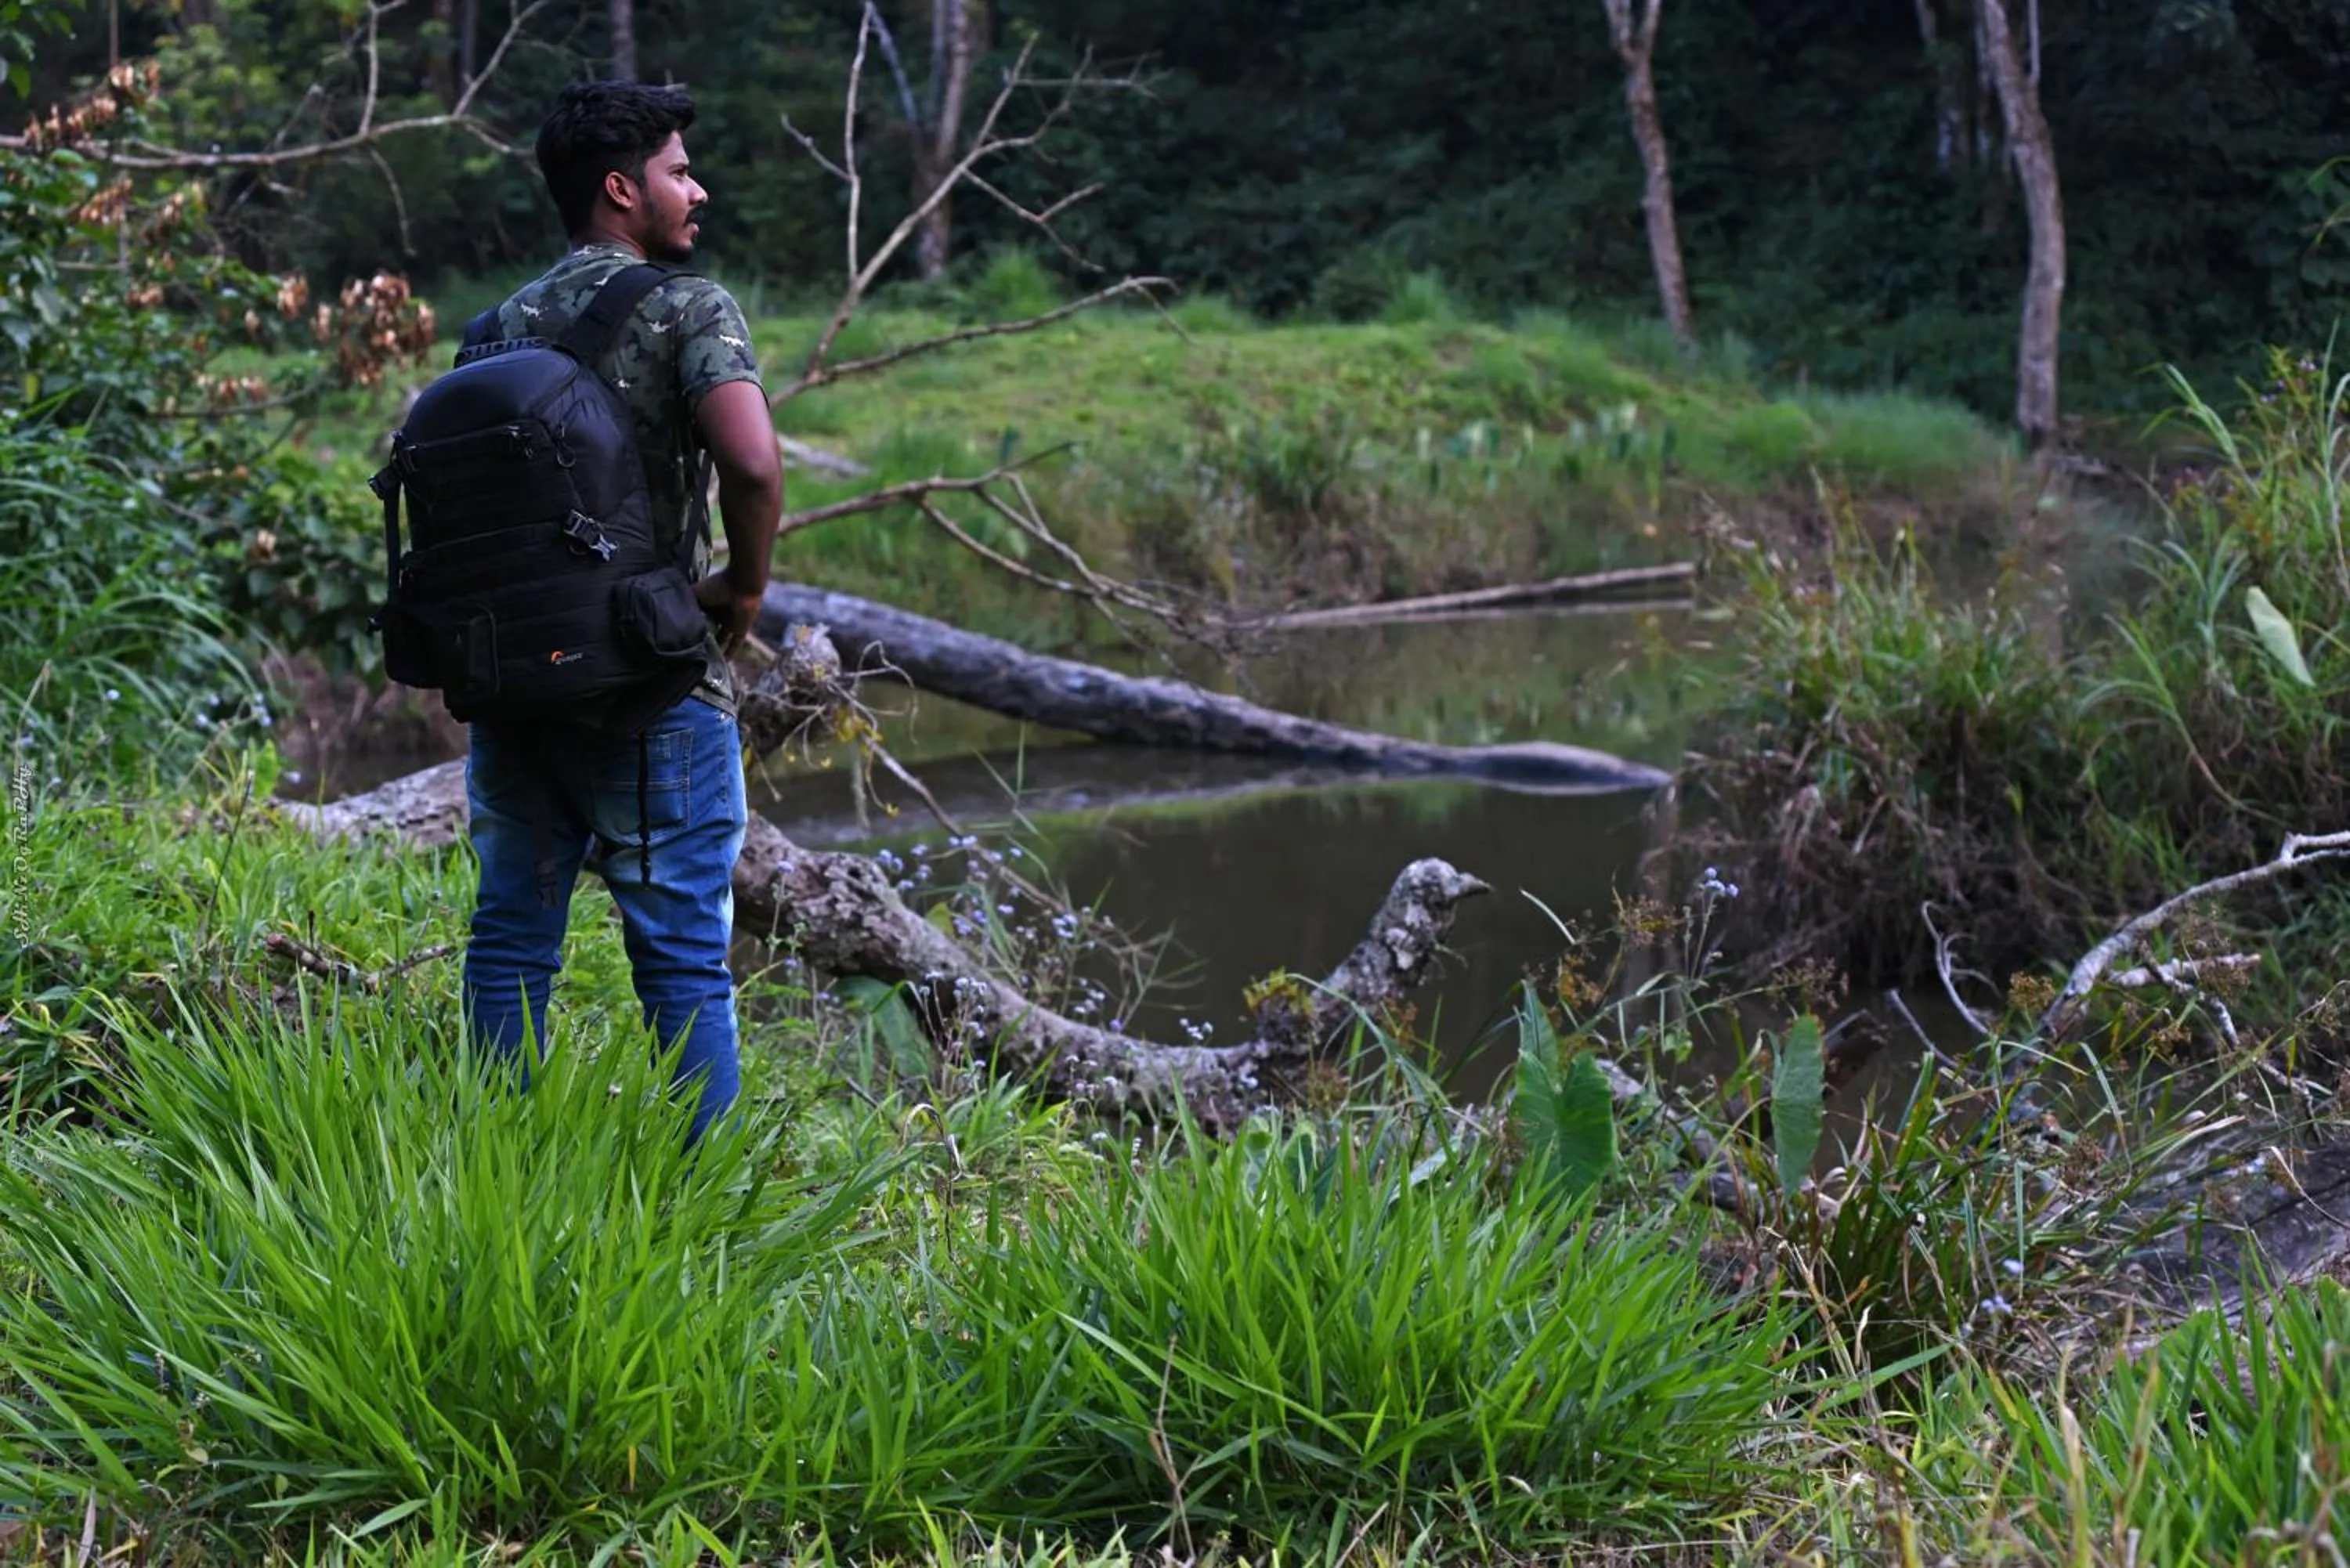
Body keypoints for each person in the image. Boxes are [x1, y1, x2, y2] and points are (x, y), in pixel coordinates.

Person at [460, 81, 783, 1143]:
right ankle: (714, 1206)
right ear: (620, 187)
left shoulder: (491, 331)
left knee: (511, 936)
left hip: (516, 685)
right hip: (653, 687)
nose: (699, 190)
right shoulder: (691, 307)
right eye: (680, 171)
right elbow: (750, 461)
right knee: (683, 949)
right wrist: (742, 587)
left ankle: (498, 1167)